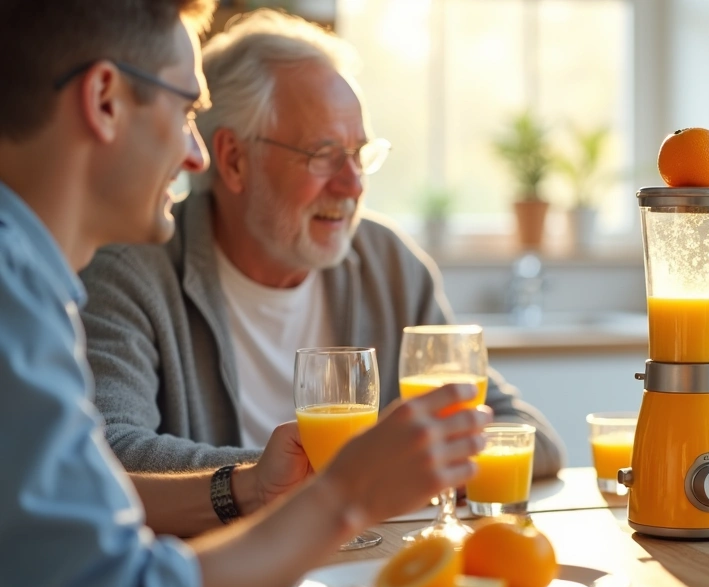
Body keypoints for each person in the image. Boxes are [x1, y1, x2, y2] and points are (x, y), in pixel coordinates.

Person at [0, 2, 488, 587]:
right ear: (105, 100)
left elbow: (90, 509)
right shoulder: (17, 290)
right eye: (185, 112)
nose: (194, 155)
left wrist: (254, 487)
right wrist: (345, 493)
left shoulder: (33, 275)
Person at [78, 10, 566, 478]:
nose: (352, 185)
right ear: (232, 160)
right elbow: (104, 451)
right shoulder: (130, 269)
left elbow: (526, 437)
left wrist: (389, 470)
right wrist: (331, 478)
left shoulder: (389, 264)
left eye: (358, 154)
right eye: (324, 155)